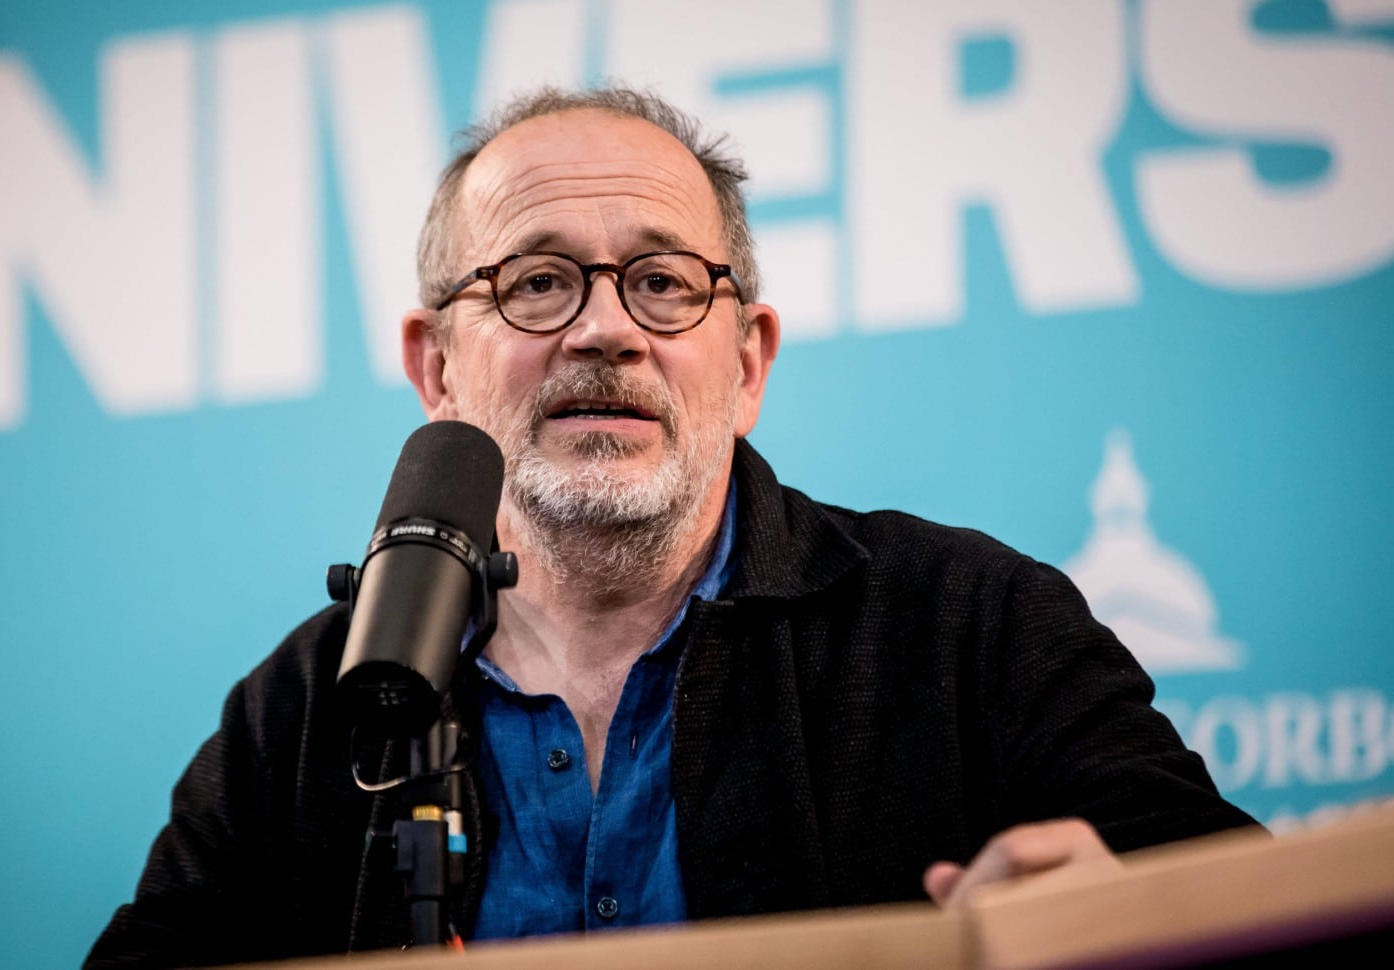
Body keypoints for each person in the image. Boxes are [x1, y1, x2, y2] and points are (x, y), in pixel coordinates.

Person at [84, 86, 1256, 968]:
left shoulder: (973, 628)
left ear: (746, 364)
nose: (605, 331)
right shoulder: (305, 708)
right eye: (536, 282)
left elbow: (1264, 913)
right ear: (435, 367)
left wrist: (1141, 925)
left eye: (661, 282)